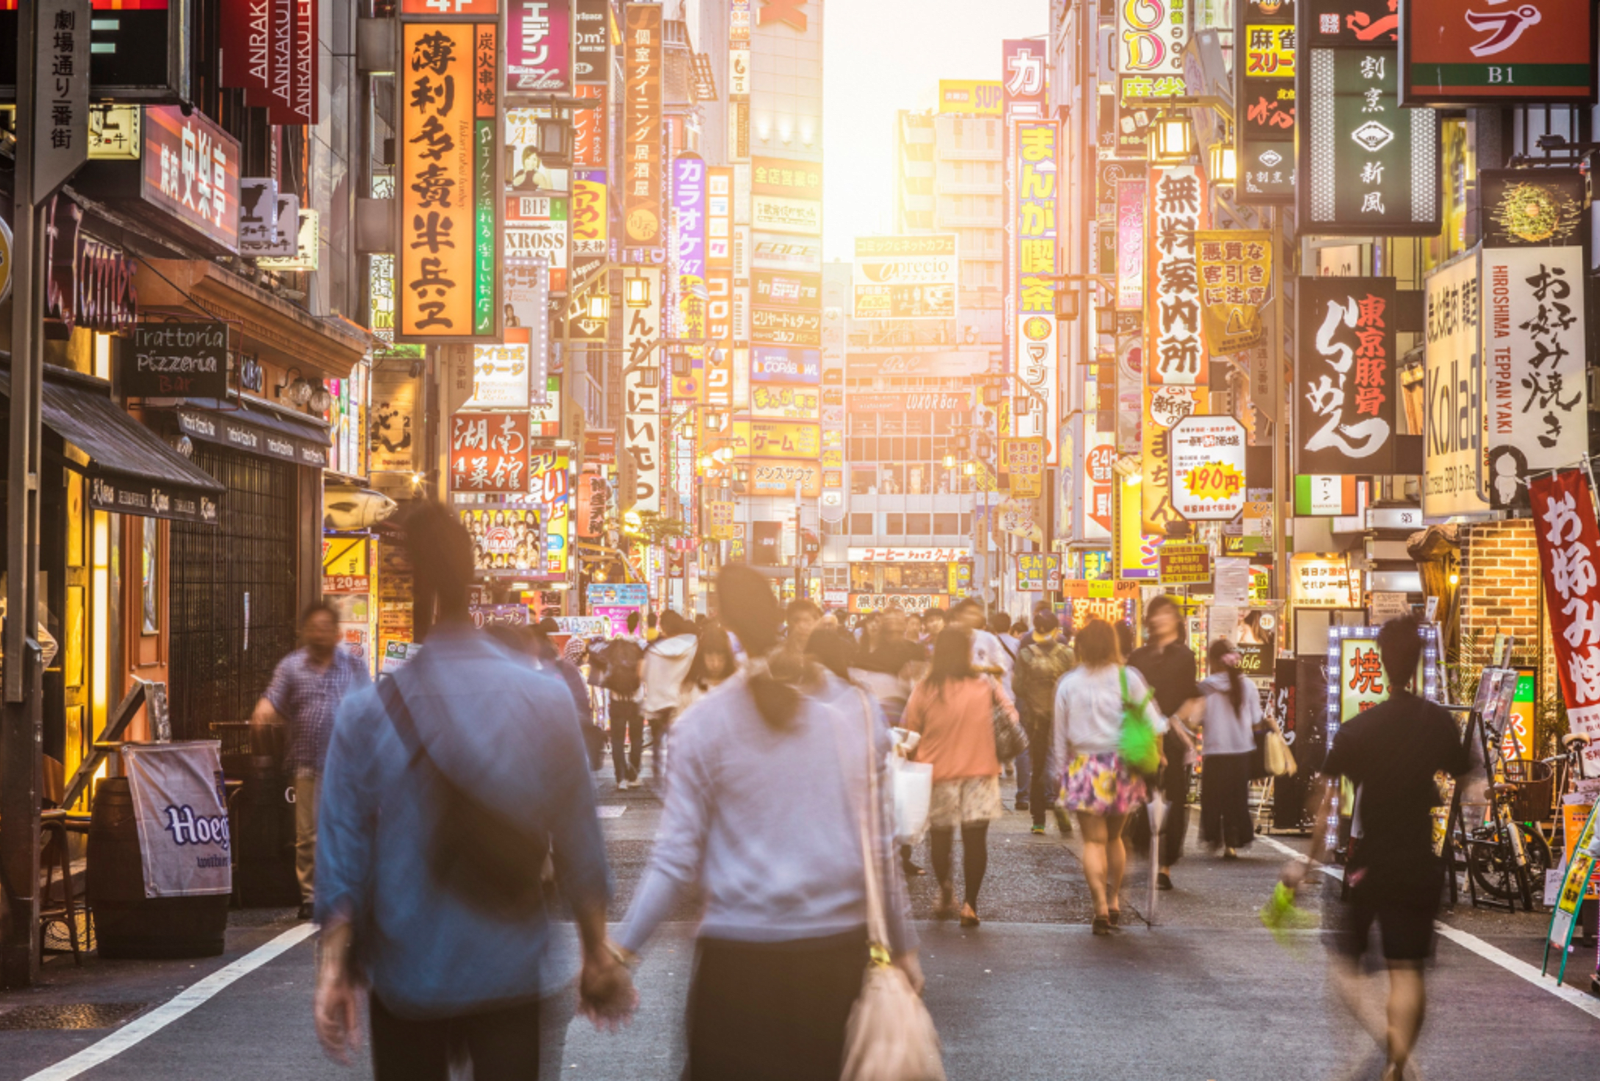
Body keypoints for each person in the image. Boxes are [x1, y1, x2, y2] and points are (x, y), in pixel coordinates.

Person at [313, 503, 633, 1078]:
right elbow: (579, 838)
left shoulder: (367, 712)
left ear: (412, 585)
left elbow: (342, 845)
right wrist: (596, 954)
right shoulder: (543, 699)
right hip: (507, 965)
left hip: (406, 968)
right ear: (473, 576)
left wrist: (335, 968)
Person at [616, 565, 921, 1081]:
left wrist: (618, 952)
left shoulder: (700, 726)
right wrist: (904, 945)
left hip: (736, 965)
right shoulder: (853, 717)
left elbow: (674, 859)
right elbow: (879, 846)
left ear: (726, 625)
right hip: (833, 958)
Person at [1281, 616, 1471, 1081]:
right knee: (1408, 970)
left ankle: (1386, 1051)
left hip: (1370, 861)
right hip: (1421, 860)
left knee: (1346, 969)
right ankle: (1397, 1062)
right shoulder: (1438, 722)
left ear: (1381, 663)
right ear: (1420, 661)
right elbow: (1467, 782)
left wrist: (1306, 864)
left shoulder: (1359, 728)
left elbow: (1325, 805)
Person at [252, 601, 370, 921]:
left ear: (337, 633)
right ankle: (311, 896)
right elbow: (274, 696)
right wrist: (264, 708)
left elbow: (369, 707)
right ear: (305, 632)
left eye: (325, 628)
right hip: (306, 761)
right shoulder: (292, 666)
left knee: (345, 828)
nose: (319, 633)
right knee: (308, 834)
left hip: (347, 764)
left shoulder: (354, 667)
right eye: (313, 627)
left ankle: (344, 892)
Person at [1053, 619, 1167, 935]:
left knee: (1093, 841)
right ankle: (1115, 900)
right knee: (1116, 839)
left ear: (1080, 647)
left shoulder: (1068, 683)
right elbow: (1156, 723)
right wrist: (1158, 755)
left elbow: (1060, 735)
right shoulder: (1127, 677)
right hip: (1123, 767)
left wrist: (1058, 771)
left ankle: (1099, 906)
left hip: (1083, 766)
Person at [902, 625, 1016, 927]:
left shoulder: (926, 687)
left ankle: (944, 890)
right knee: (975, 841)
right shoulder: (985, 683)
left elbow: (910, 728)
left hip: (939, 772)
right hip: (980, 772)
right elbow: (1011, 715)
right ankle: (970, 905)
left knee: (940, 837)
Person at [1127, 595, 1200, 890]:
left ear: (1176, 620)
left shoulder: (1185, 656)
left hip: (1171, 734)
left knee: (1175, 797)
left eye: (1167, 614)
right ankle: (1141, 846)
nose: (1161, 619)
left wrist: (1176, 721)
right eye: (1156, 614)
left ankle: (1166, 865)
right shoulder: (1138, 657)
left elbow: (1191, 695)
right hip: (1142, 735)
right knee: (1141, 793)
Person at [1013, 606, 1076, 834]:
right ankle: (1063, 807)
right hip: (1064, 720)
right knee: (1065, 764)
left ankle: (1038, 819)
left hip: (1035, 719)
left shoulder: (1026, 654)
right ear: (1056, 630)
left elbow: (1017, 686)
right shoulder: (1068, 654)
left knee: (1038, 766)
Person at [1198, 638, 1262, 858]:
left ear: (1214, 662)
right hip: (1241, 751)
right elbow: (1256, 720)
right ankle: (1232, 843)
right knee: (1237, 799)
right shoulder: (1249, 686)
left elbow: (1197, 719)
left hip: (1215, 751)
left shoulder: (1205, 687)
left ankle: (1214, 838)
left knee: (1214, 799)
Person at [640, 611, 698, 783]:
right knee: (678, 741)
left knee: (657, 741)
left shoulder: (653, 650)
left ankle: (658, 773)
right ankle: (676, 772)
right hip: (679, 701)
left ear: (663, 626)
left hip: (658, 702)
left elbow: (645, 675)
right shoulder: (692, 645)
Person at [596, 612, 647, 790]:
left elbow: (604, 671)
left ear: (626, 624)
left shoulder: (615, 646)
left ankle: (620, 779)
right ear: (639, 623)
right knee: (636, 738)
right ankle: (633, 776)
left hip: (616, 700)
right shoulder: (641, 645)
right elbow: (642, 675)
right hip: (635, 700)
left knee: (617, 739)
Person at [679, 623, 738, 712]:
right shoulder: (690, 689)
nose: (716, 664)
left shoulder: (736, 686)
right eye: (710, 659)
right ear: (701, 657)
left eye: (721, 659)